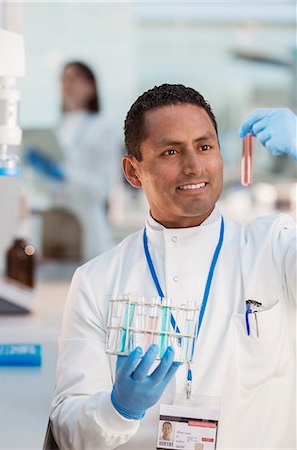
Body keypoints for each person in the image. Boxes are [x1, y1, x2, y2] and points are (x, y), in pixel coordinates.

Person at [50, 84, 296, 450]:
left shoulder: (274, 246)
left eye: (205, 146)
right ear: (133, 172)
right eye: (170, 151)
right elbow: (67, 430)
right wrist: (118, 408)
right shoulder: (96, 281)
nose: (194, 166)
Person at [25, 61, 120, 260]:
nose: (67, 85)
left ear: (91, 86)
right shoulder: (59, 128)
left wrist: (62, 173)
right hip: (53, 225)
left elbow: (100, 188)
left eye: (74, 78)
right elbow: (43, 191)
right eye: (63, 79)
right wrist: (37, 172)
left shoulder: (104, 126)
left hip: (87, 228)